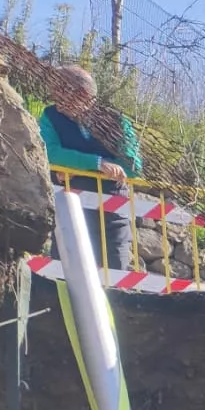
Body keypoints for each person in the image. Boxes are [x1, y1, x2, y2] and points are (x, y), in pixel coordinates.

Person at [38, 68, 143, 271]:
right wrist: (96, 164)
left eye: (61, 93)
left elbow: (133, 166)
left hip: (112, 216)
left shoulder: (118, 121)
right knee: (65, 276)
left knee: (115, 278)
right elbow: (48, 152)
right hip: (70, 210)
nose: (56, 101)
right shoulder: (50, 116)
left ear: (83, 95)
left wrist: (79, 167)